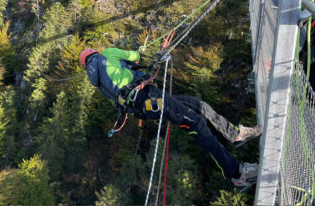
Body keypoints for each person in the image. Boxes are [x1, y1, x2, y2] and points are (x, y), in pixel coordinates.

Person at [79, 47, 262, 192]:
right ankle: (237, 174)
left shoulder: (98, 82)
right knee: (196, 123)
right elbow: (134, 56)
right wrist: (140, 51)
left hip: (145, 105)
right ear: (95, 53)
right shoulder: (108, 54)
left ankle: (234, 135)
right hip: (148, 97)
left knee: (196, 104)